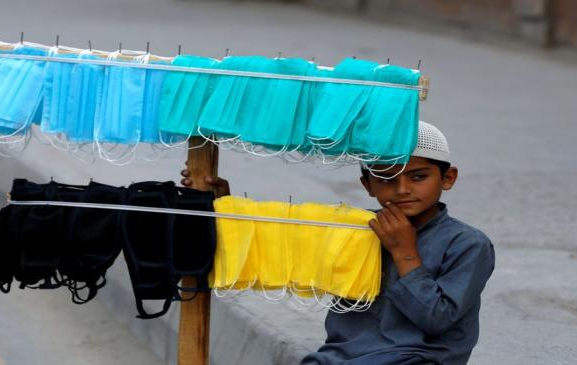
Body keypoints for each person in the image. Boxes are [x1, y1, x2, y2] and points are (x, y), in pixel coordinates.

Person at [181, 121, 495, 365]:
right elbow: (285, 241)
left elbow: (438, 319)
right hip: (340, 356)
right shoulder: (353, 229)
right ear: (367, 184)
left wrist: (404, 253)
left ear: (448, 178)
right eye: (386, 178)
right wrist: (225, 211)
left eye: (417, 177)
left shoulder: (467, 244)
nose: (402, 189)